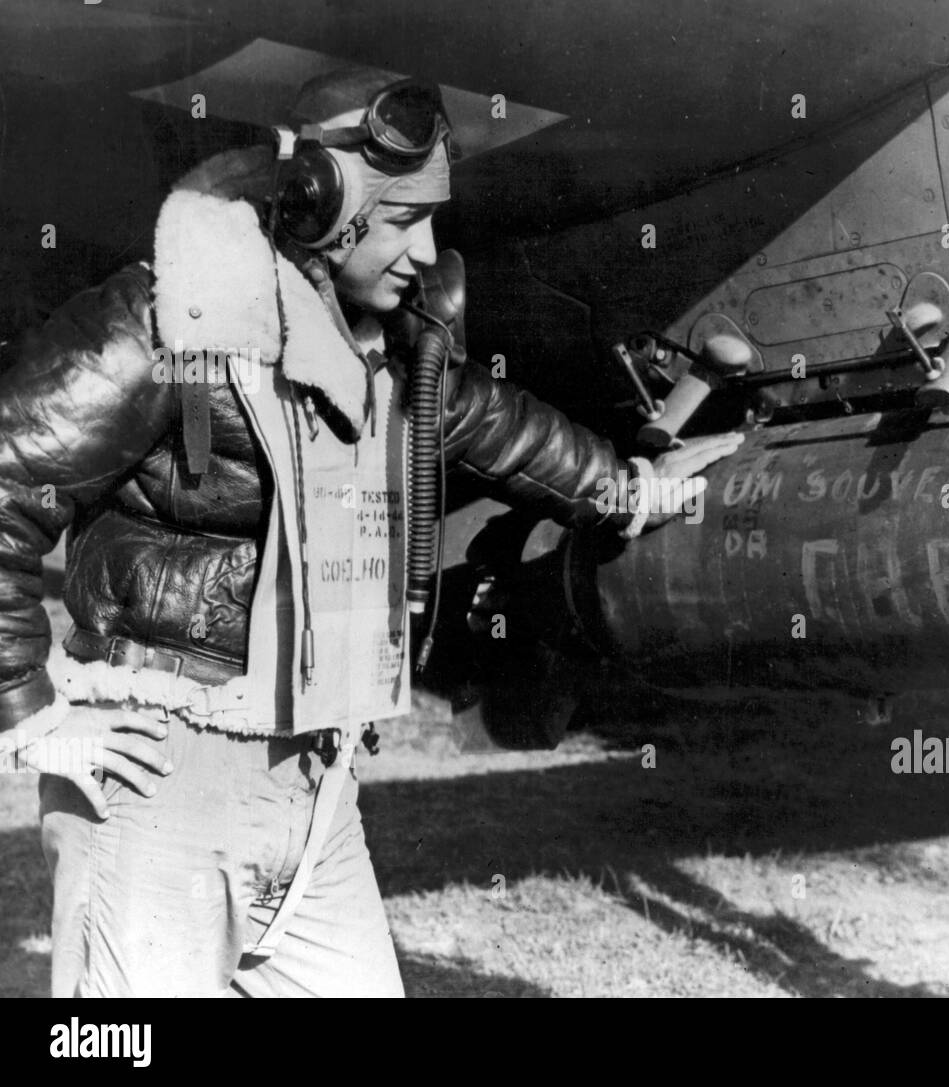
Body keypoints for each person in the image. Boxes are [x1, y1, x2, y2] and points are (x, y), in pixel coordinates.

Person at [0, 68, 742, 997]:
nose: (426, 251)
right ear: (323, 204)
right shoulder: (166, 318)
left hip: (315, 794)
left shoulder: (382, 349)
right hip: (159, 793)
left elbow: (496, 424)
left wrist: (631, 489)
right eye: (402, 221)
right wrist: (32, 717)